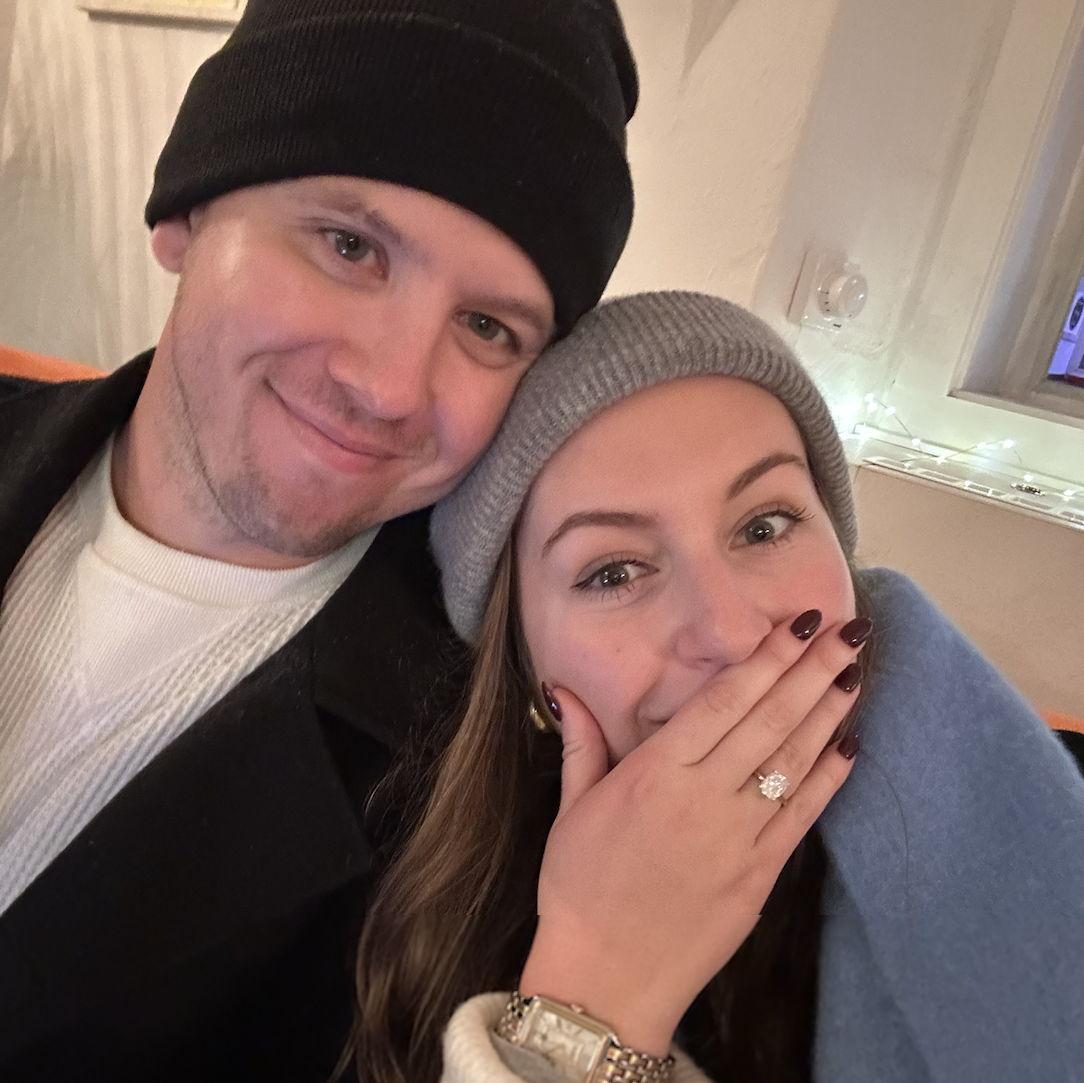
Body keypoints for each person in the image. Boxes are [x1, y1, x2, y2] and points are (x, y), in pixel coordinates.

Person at [0, 1, 638, 1078]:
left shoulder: (473, 800)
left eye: (488, 327)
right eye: (350, 247)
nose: (389, 386)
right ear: (189, 210)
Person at [353, 291, 1084, 1082]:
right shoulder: (403, 905)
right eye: (614, 571)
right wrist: (595, 987)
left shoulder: (1008, 815)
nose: (731, 634)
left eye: (765, 525)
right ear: (528, 672)